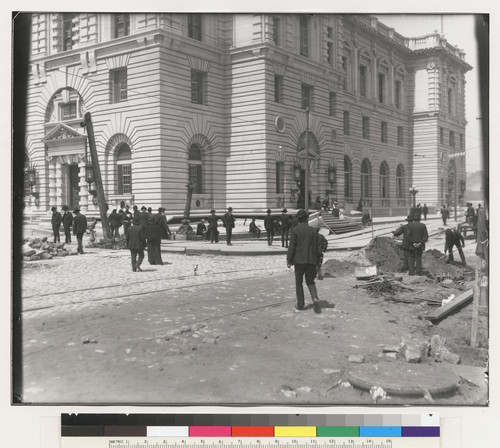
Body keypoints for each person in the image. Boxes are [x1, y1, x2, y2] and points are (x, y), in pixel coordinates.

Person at [287, 209, 321, 312]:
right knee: (310, 281)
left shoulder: (295, 230)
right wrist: (318, 260)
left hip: (299, 261)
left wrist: (289, 260)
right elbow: (317, 248)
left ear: (298, 219)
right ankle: (314, 298)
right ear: (306, 219)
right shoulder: (313, 231)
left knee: (299, 283)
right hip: (311, 260)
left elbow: (292, 246)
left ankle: (300, 304)